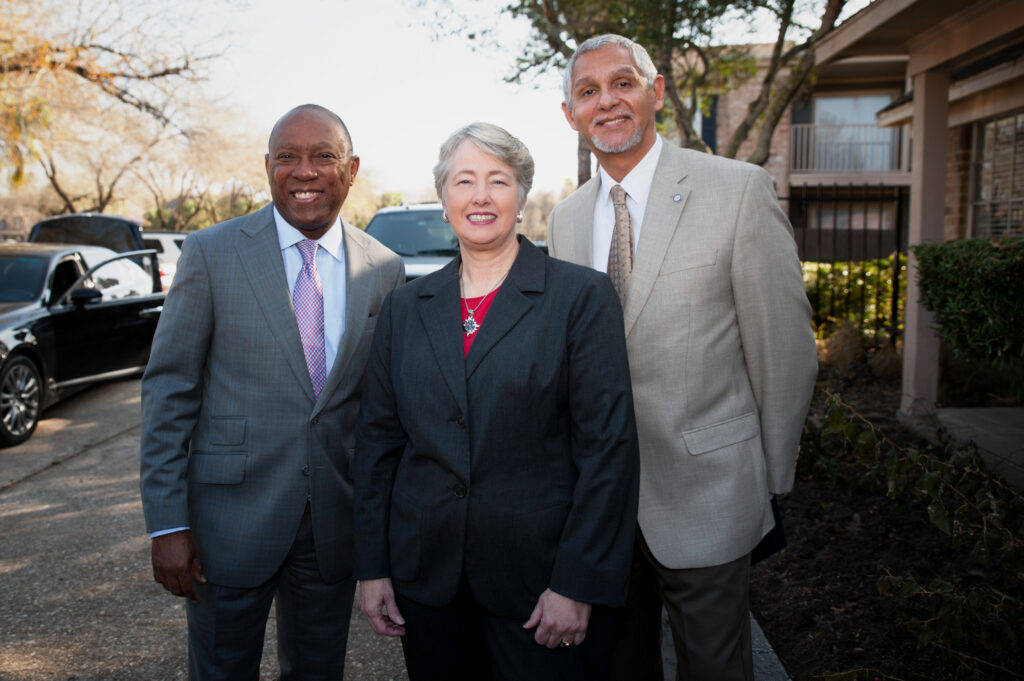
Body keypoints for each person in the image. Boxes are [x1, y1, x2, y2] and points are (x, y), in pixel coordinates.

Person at [548, 35, 818, 681]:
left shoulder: (737, 190)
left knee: (715, 667)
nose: (607, 102)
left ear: (657, 91)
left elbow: (785, 350)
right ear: (570, 114)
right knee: (618, 665)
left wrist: (768, 480)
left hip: (710, 494)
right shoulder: (564, 220)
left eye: (623, 83)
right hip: (600, 507)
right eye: (588, 92)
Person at [354, 122, 639, 681]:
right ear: (444, 198)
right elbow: (377, 445)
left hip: (539, 587)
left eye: (498, 181)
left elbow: (609, 450)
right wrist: (373, 568)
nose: (480, 196)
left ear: (522, 197)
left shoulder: (579, 297)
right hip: (427, 581)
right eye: (464, 181)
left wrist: (578, 583)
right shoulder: (406, 307)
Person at [139, 104, 405, 680]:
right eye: (287, 156)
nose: (303, 171)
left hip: (331, 526)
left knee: (317, 671)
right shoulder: (211, 252)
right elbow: (169, 391)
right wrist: (166, 524)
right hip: (225, 526)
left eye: (323, 156)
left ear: (352, 169)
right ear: (267, 167)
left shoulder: (384, 268)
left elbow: (380, 409)